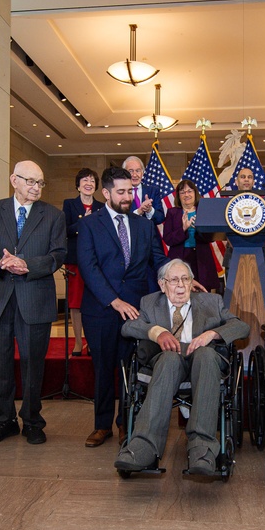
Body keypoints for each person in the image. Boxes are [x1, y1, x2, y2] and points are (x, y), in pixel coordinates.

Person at [115, 259, 249, 475]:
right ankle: (143, 446)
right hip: (167, 364)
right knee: (168, 358)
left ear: (191, 282)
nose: (180, 285)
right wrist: (157, 333)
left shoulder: (211, 301)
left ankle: (202, 448)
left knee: (206, 354)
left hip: (203, 362)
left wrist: (212, 334)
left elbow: (241, 326)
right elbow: (129, 327)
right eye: (174, 280)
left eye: (185, 279)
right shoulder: (150, 303)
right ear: (162, 284)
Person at [0, 161, 66, 446]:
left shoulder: (53, 215)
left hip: (34, 297)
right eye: (30, 182)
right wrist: (2, 263)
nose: (36, 188)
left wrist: (27, 265)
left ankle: (32, 421)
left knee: (32, 363)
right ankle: (3, 421)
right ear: (14, 180)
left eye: (40, 183)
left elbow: (58, 254)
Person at [79, 166, 170, 448]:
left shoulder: (144, 225)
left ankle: (124, 423)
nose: (128, 196)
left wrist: (180, 276)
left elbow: (158, 259)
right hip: (102, 309)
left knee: (129, 368)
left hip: (136, 310)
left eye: (130, 190)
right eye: (121, 192)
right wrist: (113, 300)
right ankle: (102, 425)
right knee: (104, 366)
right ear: (105, 193)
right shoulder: (90, 224)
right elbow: (88, 266)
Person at [63, 168, 105, 355]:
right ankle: (78, 343)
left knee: (94, 301)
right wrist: (84, 222)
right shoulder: (69, 204)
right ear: (78, 185)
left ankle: (92, 341)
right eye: (85, 180)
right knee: (76, 303)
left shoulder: (102, 206)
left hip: (96, 261)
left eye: (92, 181)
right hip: (75, 261)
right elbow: (65, 230)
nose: (89, 183)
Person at [163, 179, 218, 292]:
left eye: (189, 191)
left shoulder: (203, 211)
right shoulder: (172, 213)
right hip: (179, 258)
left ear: (195, 193)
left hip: (201, 258)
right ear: (178, 195)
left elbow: (211, 237)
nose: (186, 194)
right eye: (182, 192)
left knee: (202, 293)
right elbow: (168, 239)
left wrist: (198, 228)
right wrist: (183, 228)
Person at [122, 155, 165, 226]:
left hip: (149, 236)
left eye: (138, 171)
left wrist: (150, 210)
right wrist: (139, 211)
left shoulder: (153, 191)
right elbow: (121, 218)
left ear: (142, 173)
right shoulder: (120, 193)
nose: (134, 175)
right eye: (131, 171)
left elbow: (160, 218)